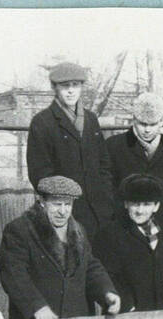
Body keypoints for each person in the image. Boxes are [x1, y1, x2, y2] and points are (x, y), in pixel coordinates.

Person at [0, 175, 120, 319]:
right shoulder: (20, 230)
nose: (63, 211)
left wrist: (107, 292)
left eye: (68, 204)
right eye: (56, 204)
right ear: (41, 202)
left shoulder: (79, 230)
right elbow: (14, 274)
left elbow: (90, 267)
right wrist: (37, 306)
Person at [26, 62, 114, 237]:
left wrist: (106, 197)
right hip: (66, 212)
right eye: (65, 86)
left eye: (76, 85)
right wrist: (61, 204)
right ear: (55, 88)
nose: (71, 91)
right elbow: (40, 173)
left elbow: (104, 163)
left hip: (99, 209)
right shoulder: (42, 122)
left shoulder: (90, 119)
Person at [105, 92, 163, 235]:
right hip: (125, 225)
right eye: (143, 124)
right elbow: (107, 186)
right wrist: (117, 217)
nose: (147, 130)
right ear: (134, 120)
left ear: (162, 121)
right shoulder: (114, 146)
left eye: (153, 124)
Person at [93, 174, 163, 312]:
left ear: (156, 206)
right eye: (135, 204)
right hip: (126, 313)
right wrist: (127, 305)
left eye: (146, 204)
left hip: (159, 312)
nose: (140, 210)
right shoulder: (109, 234)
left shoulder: (162, 232)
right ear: (126, 204)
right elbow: (106, 274)